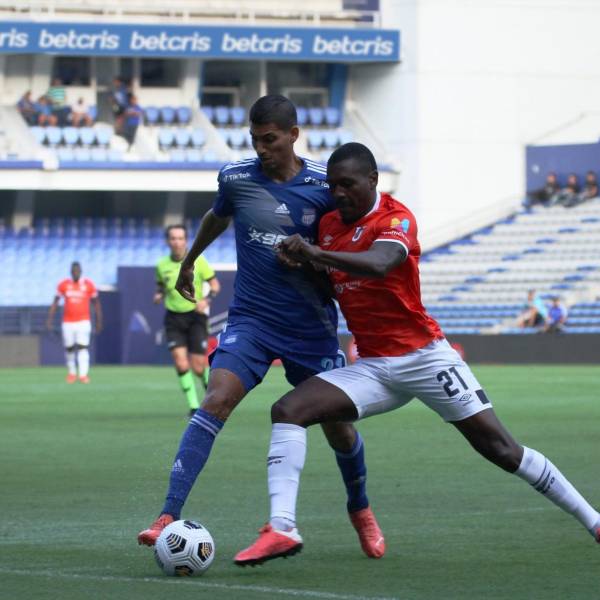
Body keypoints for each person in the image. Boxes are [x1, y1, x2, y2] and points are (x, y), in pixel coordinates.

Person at [234, 142, 600, 565]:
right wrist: (300, 263)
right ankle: (282, 527)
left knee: (502, 449)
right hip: (374, 367)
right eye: (332, 186)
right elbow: (328, 278)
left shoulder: (396, 217)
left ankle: (593, 520)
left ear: (373, 179)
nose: (338, 193)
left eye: (348, 184)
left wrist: (315, 253)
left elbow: (380, 263)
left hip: (425, 357)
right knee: (288, 410)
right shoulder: (329, 225)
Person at [137, 96, 384, 559]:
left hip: (310, 328)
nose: (261, 149)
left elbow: (343, 249)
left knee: (338, 428)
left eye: (269, 140)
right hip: (251, 320)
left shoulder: (323, 186)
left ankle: (360, 507)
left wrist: (312, 263)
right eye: (254, 140)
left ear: (293, 135)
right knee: (216, 399)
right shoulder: (236, 178)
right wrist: (189, 261)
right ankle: (167, 515)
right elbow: (217, 216)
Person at [155, 225, 220, 416]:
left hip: (195, 317)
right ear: (168, 241)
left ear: (186, 240)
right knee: (181, 364)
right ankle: (194, 407)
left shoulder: (198, 261)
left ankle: (214, 399)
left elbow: (215, 285)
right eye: (173, 238)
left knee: (199, 367)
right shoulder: (161, 265)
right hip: (173, 318)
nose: (177, 242)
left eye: (180, 238)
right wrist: (159, 294)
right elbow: (161, 286)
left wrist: (206, 300)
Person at [46, 261, 102, 384]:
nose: (75, 273)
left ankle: (83, 374)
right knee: (69, 348)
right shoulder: (64, 285)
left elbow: (96, 304)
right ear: (71, 272)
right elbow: (55, 302)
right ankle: (72, 373)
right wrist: (49, 319)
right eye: (73, 271)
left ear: (81, 271)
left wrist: (99, 320)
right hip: (68, 322)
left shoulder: (88, 285)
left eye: (77, 271)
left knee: (83, 347)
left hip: (83, 321)